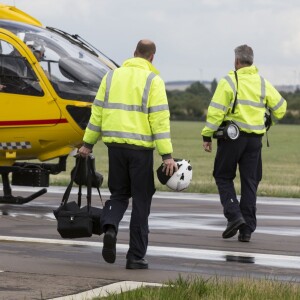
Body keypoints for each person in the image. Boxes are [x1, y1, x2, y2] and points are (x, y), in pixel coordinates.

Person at [79, 39, 177, 269]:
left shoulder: (111, 76)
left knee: (119, 194)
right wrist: (167, 156)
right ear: (152, 57)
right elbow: (160, 121)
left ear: (133, 53)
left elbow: (97, 114)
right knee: (141, 201)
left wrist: (87, 144)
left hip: (115, 148)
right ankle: (135, 257)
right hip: (141, 151)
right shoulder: (154, 81)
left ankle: (110, 226)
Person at [201, 44, 287, 242]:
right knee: (250, 182)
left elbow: (215, 112)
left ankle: (234, 216)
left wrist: (207, 135)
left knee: (222, 176)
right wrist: (268, 122)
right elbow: (281, 108)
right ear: (251, 61)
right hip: (255, 141)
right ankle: (246, 229)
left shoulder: (229, 81)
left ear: (237, 61)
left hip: (232, 139)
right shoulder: (263, 83)